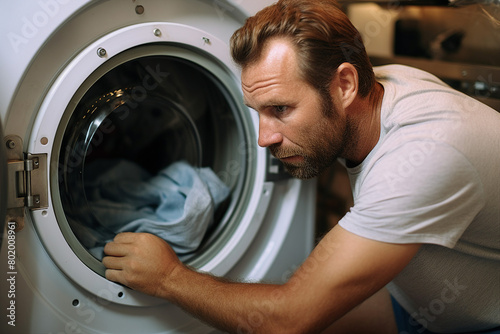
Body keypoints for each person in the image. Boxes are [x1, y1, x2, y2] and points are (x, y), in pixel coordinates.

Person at [102, 0, 500, 333]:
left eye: (281, 109)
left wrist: (169, 278)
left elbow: (288, 320)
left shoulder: (425, 154)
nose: (264, 138)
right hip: (420, 306)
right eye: (257, 112)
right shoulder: (388, 84)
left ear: (344, 85)